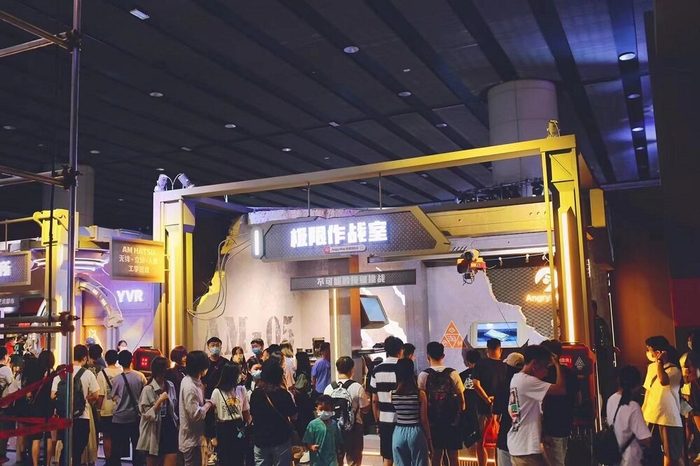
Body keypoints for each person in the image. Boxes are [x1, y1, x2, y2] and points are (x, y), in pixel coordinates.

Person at [507, 345, 565, 466]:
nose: (546, 371)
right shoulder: (527, 381)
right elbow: (560, 389)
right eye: (544, 366)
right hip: (526, 448)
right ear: (534, 364)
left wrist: (541, 434)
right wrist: (558, 365)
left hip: (520, 445)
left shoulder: (516, 379)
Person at [51, 345, 100, 466]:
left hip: (64, 417)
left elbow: (52, 396)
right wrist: (86, 399)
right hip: (82, 417)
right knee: (78, 451)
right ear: (84, 358)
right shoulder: (88, 374)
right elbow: (96, 395)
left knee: (66, 447)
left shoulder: (60, 374)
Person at [417, 342, 465, 466]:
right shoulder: (453, 373)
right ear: (443, 356)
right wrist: (459, 415)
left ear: (428, 357)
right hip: (451, 421)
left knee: (436, 455)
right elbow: (462, 400)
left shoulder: (423, 375)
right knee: (453, 456)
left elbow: (421, 400)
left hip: (432, 422)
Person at [642, 336, 683, 466]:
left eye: (650, 350)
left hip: (668, 419)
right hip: (651, 417)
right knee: (651, 455)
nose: (648, 353)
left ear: (659, 352)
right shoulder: (651, 368)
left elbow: (663, 381)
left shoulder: (674, 370)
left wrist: (660, 363)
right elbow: (648, 392)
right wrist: (643, 412)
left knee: (671, 456)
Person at [250, 359, 298, 465]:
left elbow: (252, 413)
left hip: (260, 439)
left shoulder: (255, 394)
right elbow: (294, 416)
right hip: (280, 439)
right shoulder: (284, 394)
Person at [323, 356, 370, 466]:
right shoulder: (357, 387)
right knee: (354, 461)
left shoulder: (329, 388)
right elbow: (365, 409)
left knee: (337, 459)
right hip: (354, 429)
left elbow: (325, 411)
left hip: (334, 429)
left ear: (337, 370)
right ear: (351, 370)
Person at [541, 340, 580, 466]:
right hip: (566, 423)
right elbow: (578, 398)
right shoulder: (570, 373)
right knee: (560, 458)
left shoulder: (545, 375)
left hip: (551, 426)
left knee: (555, 461)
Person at [136, 357, 179, 466]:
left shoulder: (170, 385)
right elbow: (146, 415)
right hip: (154, 431)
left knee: (171, 458)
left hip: (169, 428)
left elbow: (174, 407)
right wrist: (159, 401)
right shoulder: (148, 389)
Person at [368, 336, 404, 466]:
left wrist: (377, 421)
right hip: (402, 420)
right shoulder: (403, 368)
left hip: (384, 420)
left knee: (387, 457)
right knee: (403, 457)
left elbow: (374, 400)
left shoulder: (376, 370)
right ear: (400, 350)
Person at [606, 366, 652, 466]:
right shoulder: (633, 406)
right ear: (637, 386)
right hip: (631, 459)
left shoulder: (611, 400)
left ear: (619, 380)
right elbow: (645, 439)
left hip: (614, 456)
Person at [473, 338, 508, 466]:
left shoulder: (480, 364)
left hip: (483, 408)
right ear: (500, 350)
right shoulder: (505, 366)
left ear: (486, 350)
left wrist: (487, 399)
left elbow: (476, 384)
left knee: (481, 442)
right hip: (501, 409)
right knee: (499, 442)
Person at [391, 358, 431, 466]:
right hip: (416, 431)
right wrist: (429, 440)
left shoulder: (392, 394)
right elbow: (424, 419)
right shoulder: (420, 394)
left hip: (398, 431)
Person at [110, 350, 147, 466]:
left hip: (119, 417)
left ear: (119, 362)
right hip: (135, 416)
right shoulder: (140, 376)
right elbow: (145, 393)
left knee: (117, 446)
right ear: (132, 360)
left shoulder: (116, 379)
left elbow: (113, 396)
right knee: (137, 445)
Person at [211, 363, 250, 466]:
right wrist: (212, 436)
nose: (241, 376)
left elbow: (245, 411)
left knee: (239, 456)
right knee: (225, 458)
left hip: (239, 427)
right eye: (239, 373)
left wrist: (249, 426)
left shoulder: (241, 389)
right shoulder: (217, 392)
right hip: (224, 428)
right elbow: (212, 414)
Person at [179, 351, 214, 466]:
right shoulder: (190, 387)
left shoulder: (191, 380)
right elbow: (196, 414)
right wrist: (209, 404)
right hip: (192, 440)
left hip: (196, 438)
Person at [495, 352, 524, 466]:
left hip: (506, 432)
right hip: (524, 436)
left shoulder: (503, 384)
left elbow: (497, 409)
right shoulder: (528, 384)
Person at [303, 394, 343, 466]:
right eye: (321, 409)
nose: (324, 412)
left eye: (327, 409)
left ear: (332, 409)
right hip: (317, 459)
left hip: (332, 458)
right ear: (316, 409)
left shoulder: (334, 424)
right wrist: (311, 446)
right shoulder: (313, 424)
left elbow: (338, 440)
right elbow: (307, 441)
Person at [98, 349, 122, 466]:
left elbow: (101, 395)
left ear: (106, 360)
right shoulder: (121, 373)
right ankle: (117, 460)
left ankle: (109, 461)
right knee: (118, 436)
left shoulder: (102, 373)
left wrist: (98, 409)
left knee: (107, 436)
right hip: (120, 409)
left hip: (106, 409)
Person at [460, 349, 482, 450]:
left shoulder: (461, 375)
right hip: (481, 410)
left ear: (467, 362)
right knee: (482, 441)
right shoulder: (483, 374)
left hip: (466, 410)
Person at [0, 347, 13, 464]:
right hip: (3, 405)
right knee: (3, 429)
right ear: (5, 356)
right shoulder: (6, 370)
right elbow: (12, 385)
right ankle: (1, 454)